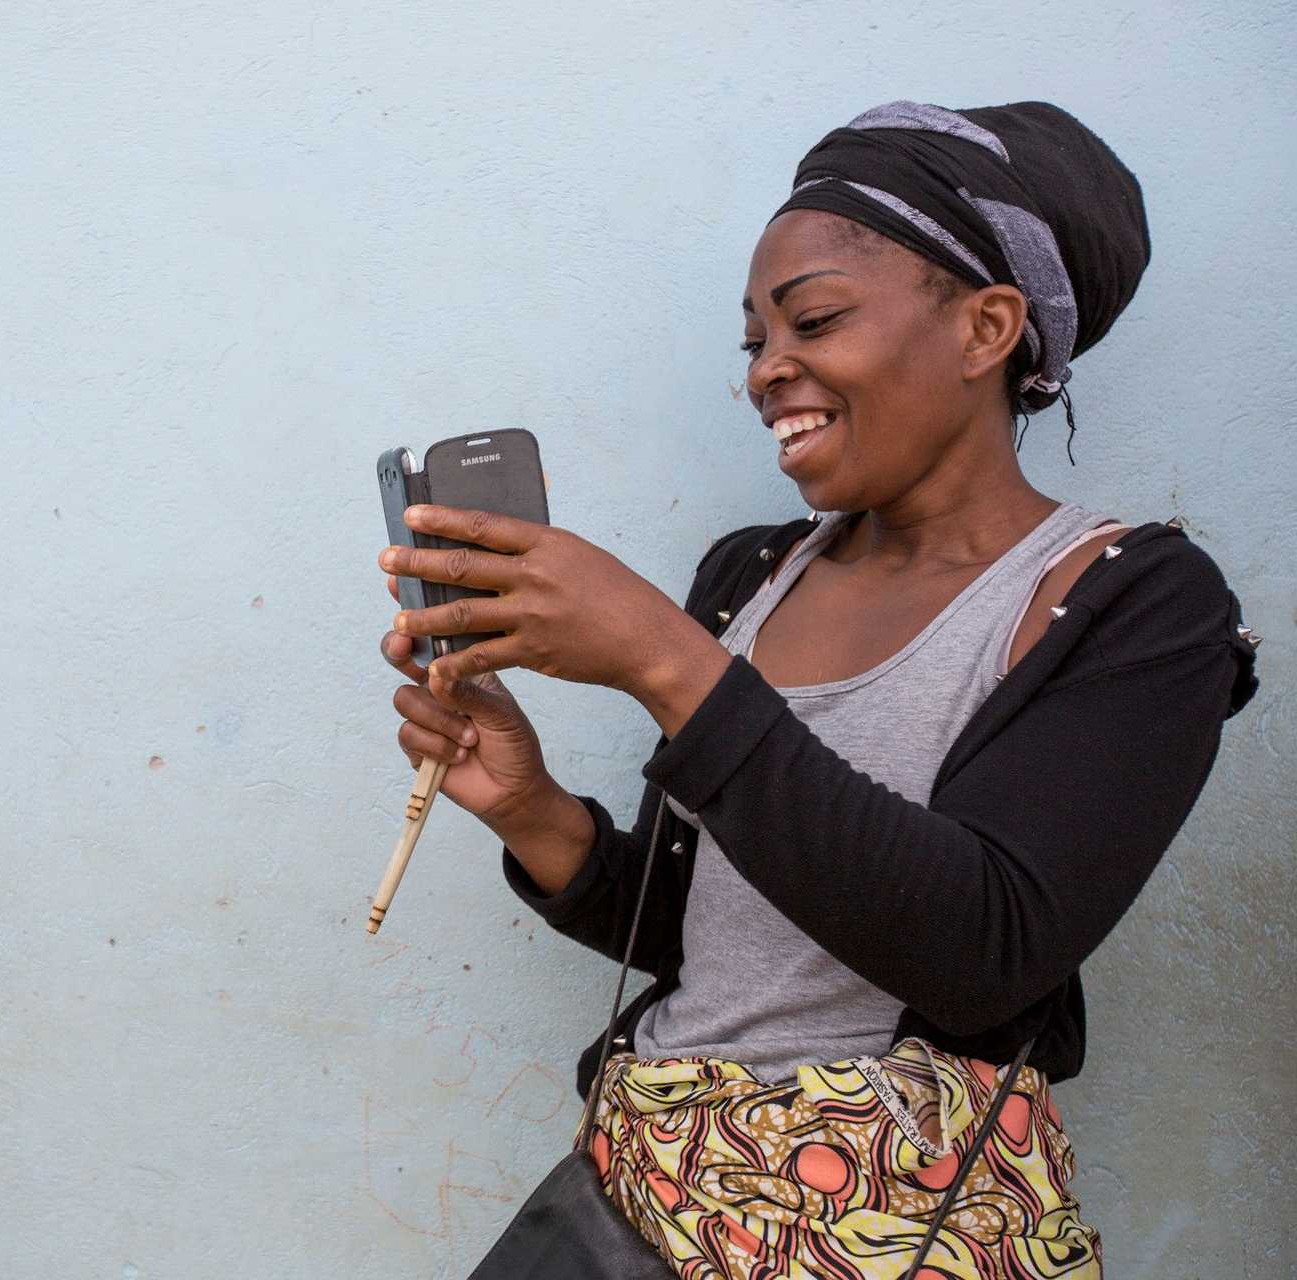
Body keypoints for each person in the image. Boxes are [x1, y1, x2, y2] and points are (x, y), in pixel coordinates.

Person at [375, 101, 1260, 1278]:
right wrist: (532, 809)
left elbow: (985, 947)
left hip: (888, 1224)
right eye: (753, 341)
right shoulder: (752, 573)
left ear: (989, 327)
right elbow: (721, 937)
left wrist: (662, 660)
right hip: (643, 1186)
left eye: (816, 319)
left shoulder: (1133, 603)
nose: (768, 371)